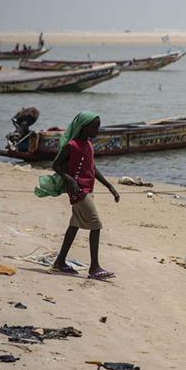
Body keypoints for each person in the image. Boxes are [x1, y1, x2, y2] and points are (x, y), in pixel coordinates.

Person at [34, 111, 120, 280]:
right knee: (96, 225)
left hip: (88, 188)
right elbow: (56, 165)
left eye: (98, 126)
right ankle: (94, 267)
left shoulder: (88, 144)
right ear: (83, 127)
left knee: (74, 225)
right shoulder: (71, 145)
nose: (97, 130)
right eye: (94, 127)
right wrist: (69, 179)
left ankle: (59, 261)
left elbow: (93, 169)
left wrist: (110, 187)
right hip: (78, 191)